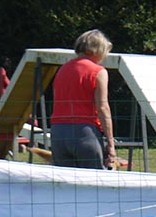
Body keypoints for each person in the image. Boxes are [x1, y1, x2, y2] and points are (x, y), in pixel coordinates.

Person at [50, 29, 117, 170]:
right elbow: (103, 108)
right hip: (84, 132)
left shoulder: (62, 69)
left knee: (65, 184)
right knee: (94, 184)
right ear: (98, 50)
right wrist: (110, 143)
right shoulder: (98, 71)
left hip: (58, 132)